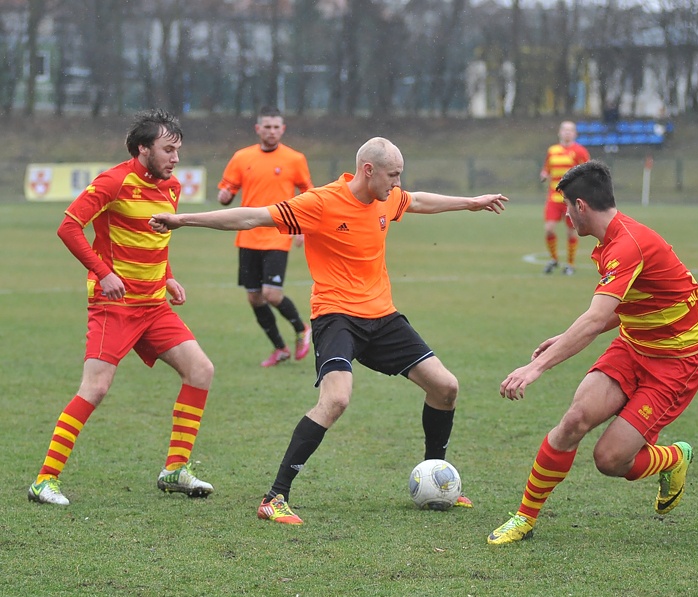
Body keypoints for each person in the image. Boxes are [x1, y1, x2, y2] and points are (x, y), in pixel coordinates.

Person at [150, 137, 508, 525]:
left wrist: (470, 202)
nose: (397, 183)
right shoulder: (321, 202)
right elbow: (252, 216)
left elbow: (418, 200)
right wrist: (182, 219)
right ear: (368, 170)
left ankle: (433, 478)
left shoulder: (388, 197)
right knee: (336, 400)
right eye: (393, 174)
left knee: (446, 387)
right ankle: (275, 497)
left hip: (383, 317)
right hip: (336, 317)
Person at [487, 160, 698, 545]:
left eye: (567, 209)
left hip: (674, 364)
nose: (566, 217)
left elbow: (593, 321)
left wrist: (536, 367)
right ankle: (524, 517)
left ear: (581, 206)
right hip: (632, 346)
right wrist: (563, 337)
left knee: (611, 460)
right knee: (574, 420)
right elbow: (620, 310)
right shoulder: (612, 240)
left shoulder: (627, 246)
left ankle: (675, 458)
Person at [28, 109, 216, 506]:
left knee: (200, 371)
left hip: (154, 307)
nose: (175, 158)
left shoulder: (172, 187)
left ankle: (175, 470)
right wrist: (102, 272)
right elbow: (68, 226)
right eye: (168, 150)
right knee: (95, 388)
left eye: (178, 150)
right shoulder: (114, 181)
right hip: (114, 306)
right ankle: (45, 480)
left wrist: (167, 276)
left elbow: (156, 241)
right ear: (143, 149)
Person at [218, 106, 315, 367]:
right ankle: (280, 348)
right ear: (258, 129)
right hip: (248, 236)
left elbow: (308, 194)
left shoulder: (295, 159)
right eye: (267, 127)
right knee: (254, 297)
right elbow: (227, 188)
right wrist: (225, 196)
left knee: (272, 294)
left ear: (282, 130)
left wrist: (302, 228)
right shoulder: (241, 157)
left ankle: (302, 328)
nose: (271, 131)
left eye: (276, 127)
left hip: (277, 233)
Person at [540, 121, 591, 275]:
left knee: (571, 232)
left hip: (571, 199)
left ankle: (570, 264)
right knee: (549, 229)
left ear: (575, 134)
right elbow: (546, 169)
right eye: (564, 130)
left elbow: (588, 171)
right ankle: (554, 259)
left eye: (570, 130)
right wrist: (544, 174)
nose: (567, 133)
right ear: (559, 132)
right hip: (553, 198)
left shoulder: (580, 151)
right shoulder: (552, 150)